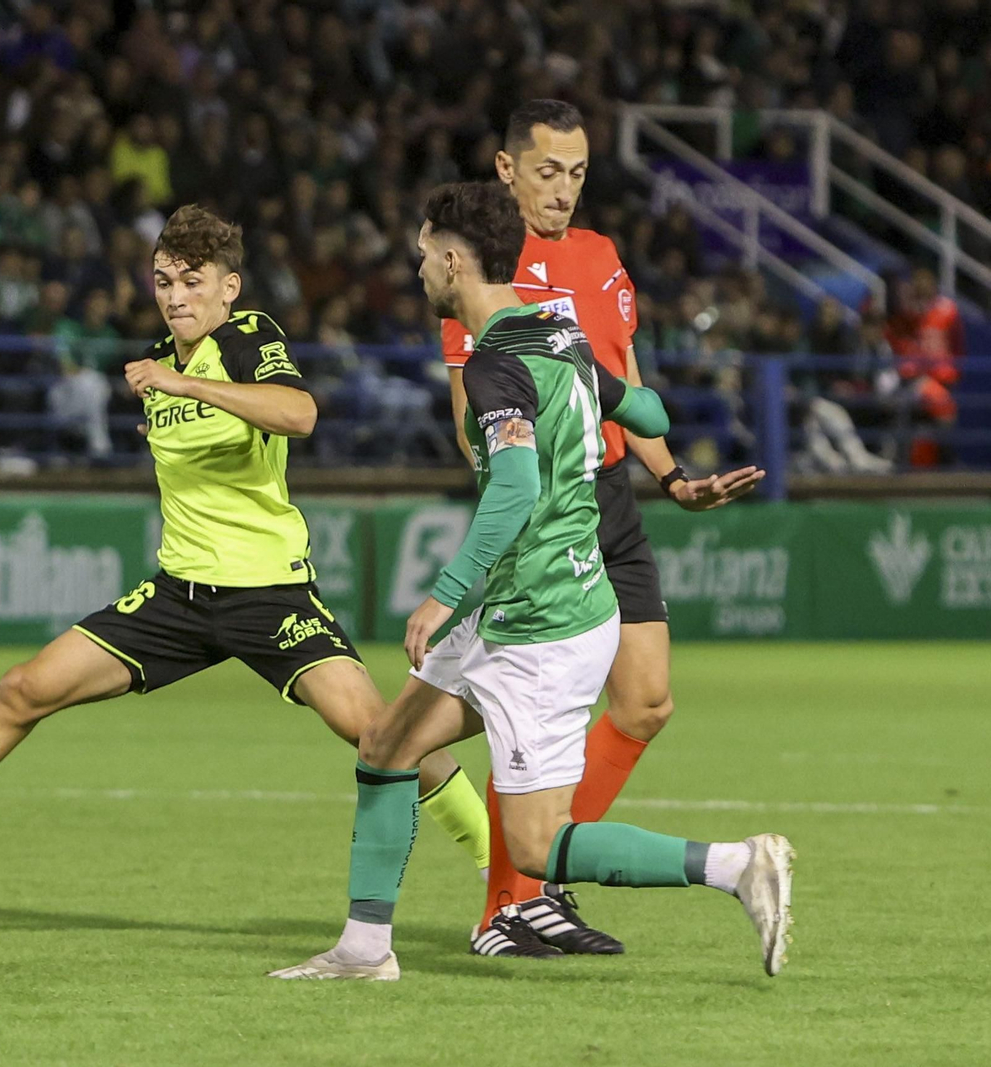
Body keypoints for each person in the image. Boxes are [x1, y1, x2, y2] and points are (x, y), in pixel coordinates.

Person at [0, 205, 491, 887]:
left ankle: (511, 881)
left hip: (268, 593)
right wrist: (171, 402)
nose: (175, 296)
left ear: (230, 288)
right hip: (178, 597)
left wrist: (184, 385)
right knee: (23, 688)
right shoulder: (158, 363)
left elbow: (300, 412)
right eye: (164, 281)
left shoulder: (246, 337)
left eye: (193, 281)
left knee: (383, 734)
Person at [271, 181, 794, 982]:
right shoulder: (560, 336)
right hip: (515, 606)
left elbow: (512, 488)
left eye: (422, 256)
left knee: (535, 845)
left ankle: (737, 864)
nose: (416, 271)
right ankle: (364, 949)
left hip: (545, 628)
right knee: (386, 746)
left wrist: (444, 589)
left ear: (454, 261)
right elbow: (647, 413)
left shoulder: (494, 368)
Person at [442, 100, 764, 955]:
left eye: (578, 173)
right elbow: (467, 411)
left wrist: (673, 475)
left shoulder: (599, 256)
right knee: (513, 721)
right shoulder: (481, 265)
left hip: (612, 492)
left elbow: (624, 375)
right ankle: (507, 903)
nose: (564, 190)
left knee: (647, 701)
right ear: (507, 168)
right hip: (547, 506)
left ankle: (531, 885)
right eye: (548, 170)